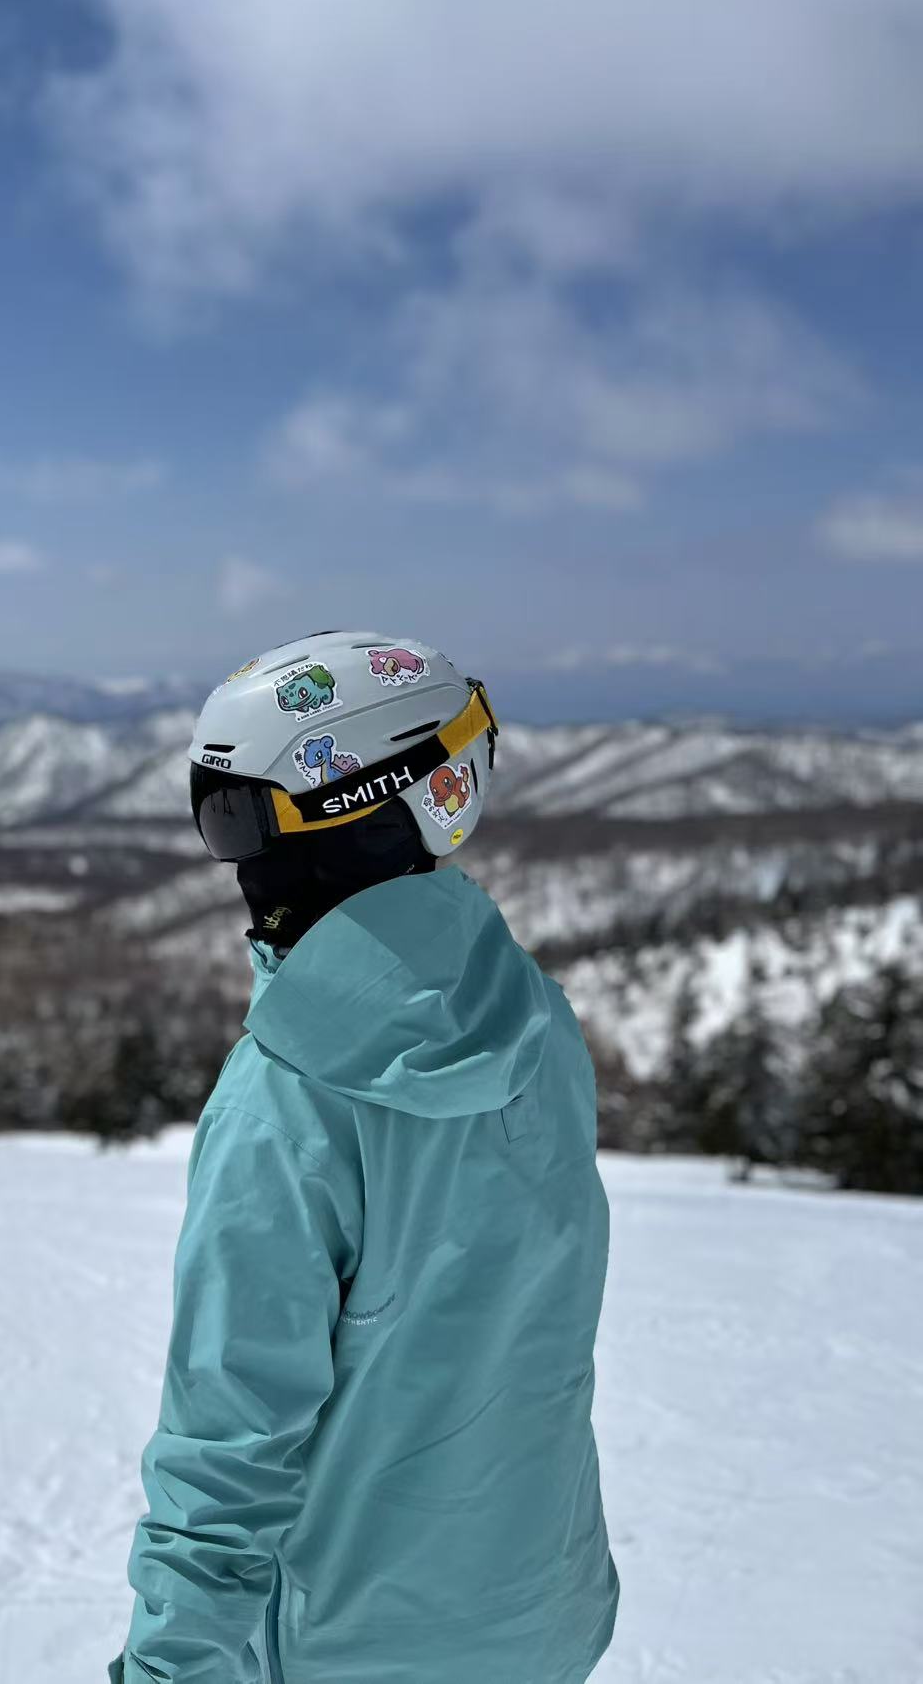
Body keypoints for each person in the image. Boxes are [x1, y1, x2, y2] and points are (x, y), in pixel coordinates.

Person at [109, 630, 619, 1683]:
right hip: (541, 1612)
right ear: (431, 795)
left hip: (350, 1647)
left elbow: (228, 1446)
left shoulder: (287, 1099)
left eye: (231, 821)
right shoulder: (533, 1022)